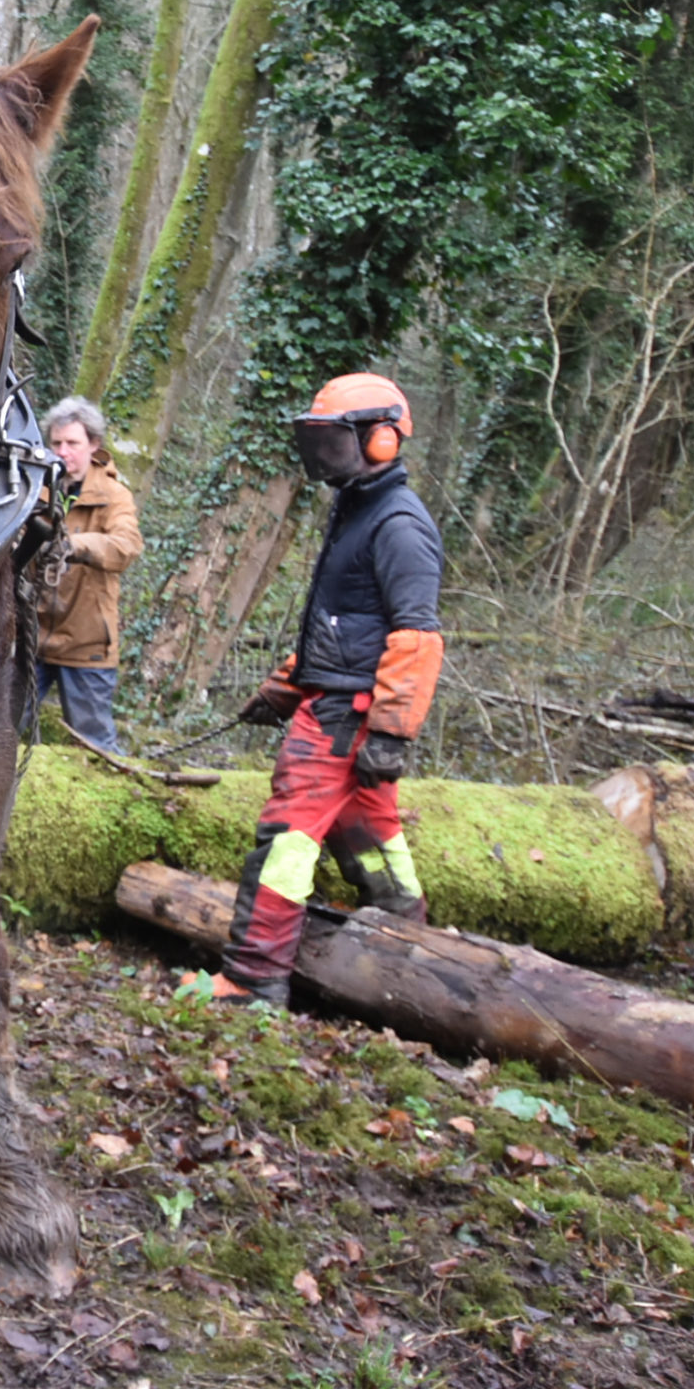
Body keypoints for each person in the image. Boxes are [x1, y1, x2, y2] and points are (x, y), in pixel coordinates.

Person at [211, 373, 445, 1005]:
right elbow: (343, 626)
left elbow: (416, 636)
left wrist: (391, 733)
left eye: (336, 439)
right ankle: (410, 945)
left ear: (381, 440)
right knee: (366, 829)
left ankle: (253, 976)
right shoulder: (357, 510)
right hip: (339, 696)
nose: (325, 453)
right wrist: (284, 689)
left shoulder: (399, 525)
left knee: (288, 834)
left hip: (349, 710)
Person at [34, 396, 141, 752]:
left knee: (95, 745)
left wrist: (74, 545)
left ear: (93, 444)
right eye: (56, 443)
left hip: (87, 643)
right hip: (30, 637)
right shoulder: (35, 489)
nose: (63, 452)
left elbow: (126, 546)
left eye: (73, 443)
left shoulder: (114, 495)